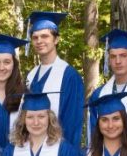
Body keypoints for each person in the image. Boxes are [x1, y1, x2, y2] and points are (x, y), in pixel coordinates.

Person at [23, 11, 85, 147]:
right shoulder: (31, 75)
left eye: (45, 36)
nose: (39, 41)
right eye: (35, 37)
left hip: (59, 152)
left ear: (56, 39)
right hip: (31, 150)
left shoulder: (69, 76)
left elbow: (72, 123)